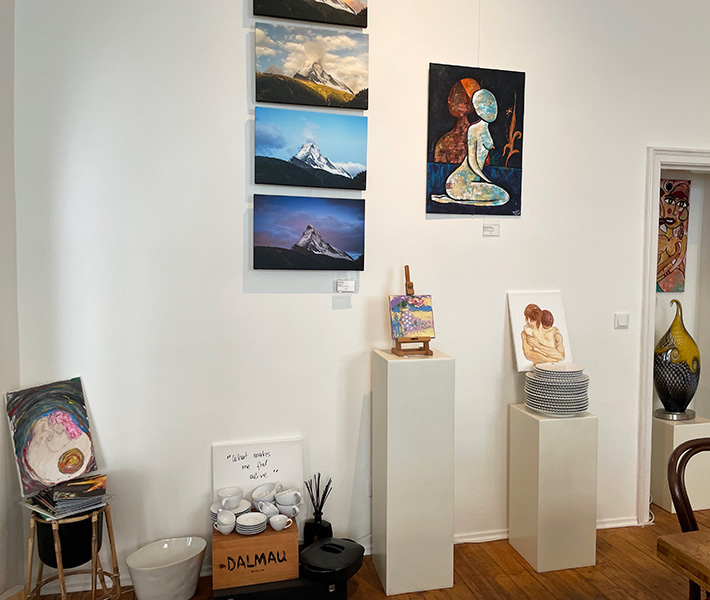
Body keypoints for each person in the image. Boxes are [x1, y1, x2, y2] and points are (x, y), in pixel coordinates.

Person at [432, 87, 510, 206]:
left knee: (503, 198)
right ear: (478, 109)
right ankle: (455, 200)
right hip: (458, 183)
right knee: (503, 197)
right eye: (485, 105)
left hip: (470, 182)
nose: (492, 109)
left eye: (493, 104)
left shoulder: (486, 129)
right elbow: (472, 162)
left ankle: (453, 201)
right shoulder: (473, 129)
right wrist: (488, 180)